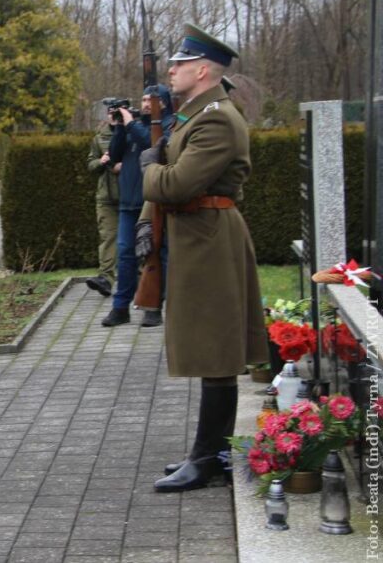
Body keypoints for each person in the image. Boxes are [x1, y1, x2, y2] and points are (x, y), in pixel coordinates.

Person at [143, 24, 266, 492]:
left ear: (201, 69)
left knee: (216, 350)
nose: (171, 71)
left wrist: (149, 168)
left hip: (210, 238)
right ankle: (209, 452)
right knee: (211, 348)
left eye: (178, 64)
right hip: (200, 235)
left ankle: (210, 458)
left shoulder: (215, 118)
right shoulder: (199, 114)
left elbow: (176, 184)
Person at [103, 86, 174, 328]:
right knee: (124, 254)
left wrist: (131, 122)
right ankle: (120, 307)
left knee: (157, 253)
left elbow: (153, 145)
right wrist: (120, 127)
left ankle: (154, 306)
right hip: (128, 202)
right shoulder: (133, 126)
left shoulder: (168, 124)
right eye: (142, 99)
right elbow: (114, 155)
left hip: (153, 203)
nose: (145, 103)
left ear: (162, 103)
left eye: (150, 100)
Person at [85, 110, 120, 297]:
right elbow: (90, 164)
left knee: (136, 239)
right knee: (108, 237)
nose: (113, 116)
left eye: (117, 112)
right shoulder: (99, 138)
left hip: (130, 196)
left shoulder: (132, 131)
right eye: (110, 112)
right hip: (106, 197)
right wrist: (101, 161)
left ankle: (142, 277)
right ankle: (106, 278)